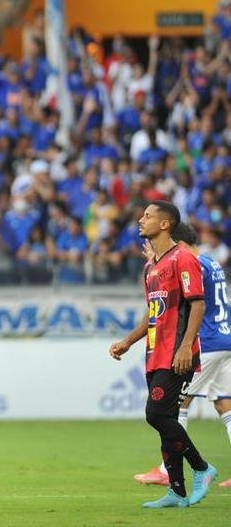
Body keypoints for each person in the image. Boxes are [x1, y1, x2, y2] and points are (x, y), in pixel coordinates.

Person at [110, 202, 217, 508]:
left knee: (155, 414)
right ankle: (177, 492)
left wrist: (186, 346)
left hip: (177, 352)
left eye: (148, 215)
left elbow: (197, 304)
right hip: (155, 352)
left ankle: (202, 468)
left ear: (166, 224)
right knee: (166, 419)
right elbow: (153, 313)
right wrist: (129, 341)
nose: (140, 220)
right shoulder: (150, 267)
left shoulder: (183, 258)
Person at [133, 222, 231, 489]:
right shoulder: (212, 263)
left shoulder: (189, 262)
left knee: (173, 406)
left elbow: (190, 299)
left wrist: (158, 263)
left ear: (179, 243)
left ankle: (169, 470)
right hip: (225, 337)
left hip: (205, 341)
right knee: (225, 405)